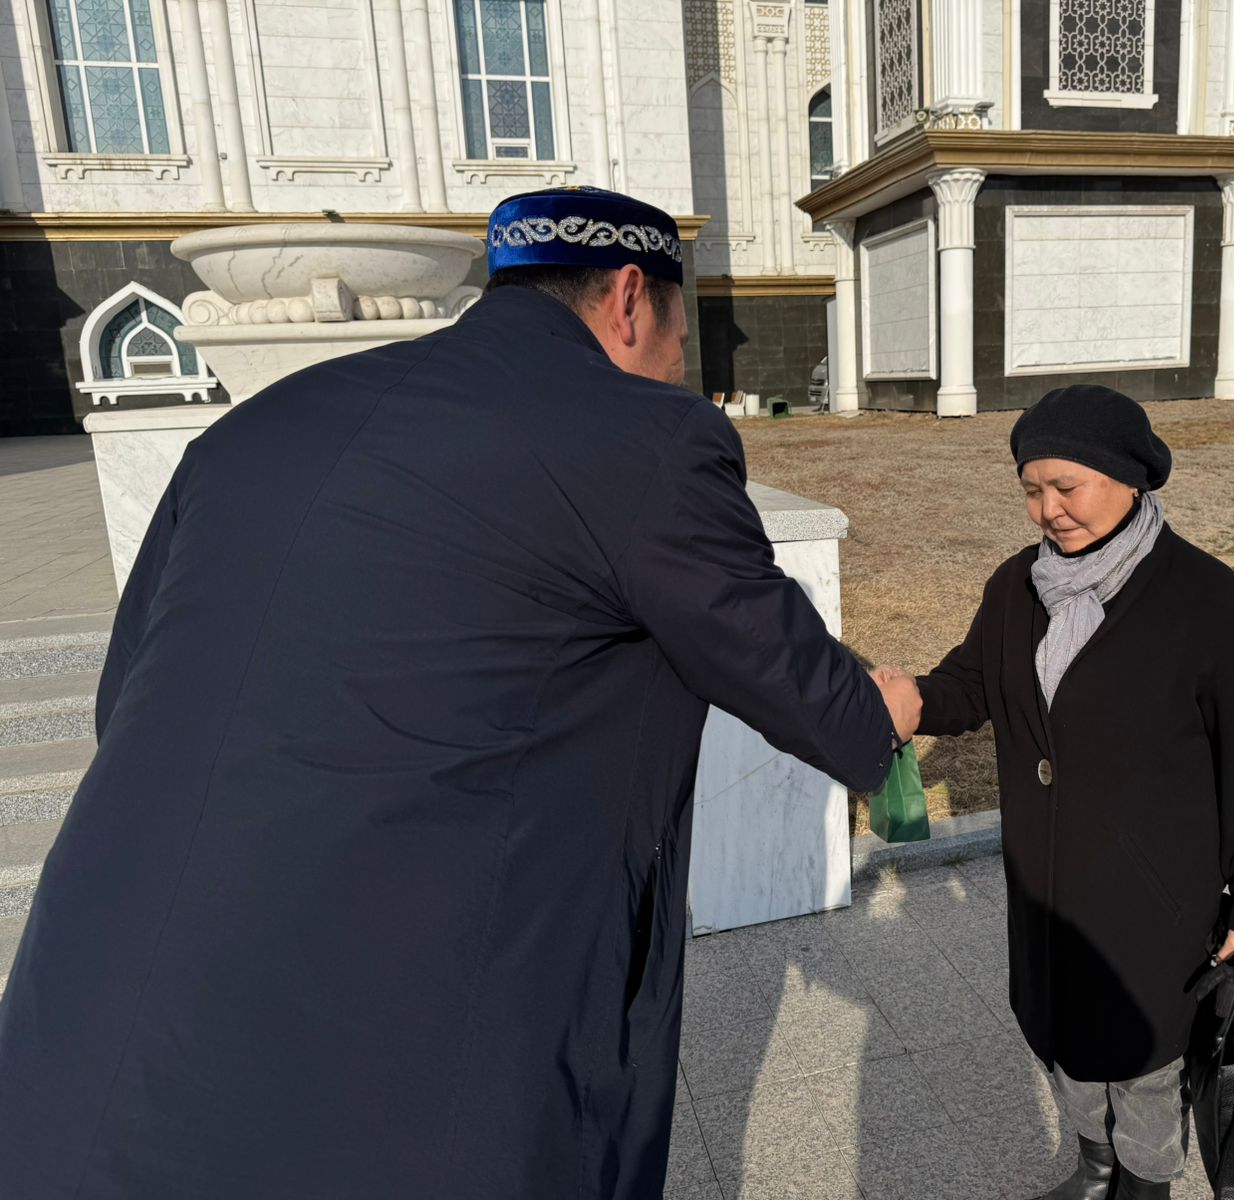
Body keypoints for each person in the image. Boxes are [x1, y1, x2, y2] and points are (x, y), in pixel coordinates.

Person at [0, 186, 921, 1200]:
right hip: (382, 1074)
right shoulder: (643, 436)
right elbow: (789, 677)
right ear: (629, 297)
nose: (676, 367)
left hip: (83, 1036)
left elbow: (124, 699)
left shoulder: (258, 427)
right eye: (678, 336)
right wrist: (878, 716)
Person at [877, 385, 1234, 1200]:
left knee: (1142, 1067)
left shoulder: (1213, 607)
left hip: (1152, 904)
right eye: (1032, 490)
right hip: (1048, 895)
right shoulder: (1016, 588)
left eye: (1067, 487)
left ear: (1129, 476)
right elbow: (974, 682)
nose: (1048, 511)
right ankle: (1094, 1173)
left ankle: (1141, 1186)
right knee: (1066, 1044)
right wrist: (915, 700)